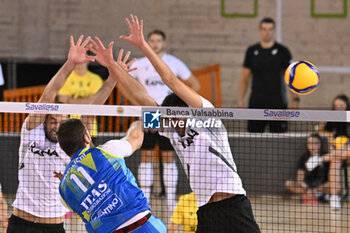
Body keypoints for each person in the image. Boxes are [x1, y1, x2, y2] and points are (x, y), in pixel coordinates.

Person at [88, 14, 260, 232]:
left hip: (234, 204)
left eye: (173, 117)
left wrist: (143, 45)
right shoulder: (169, 129)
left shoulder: (207, 118)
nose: (169, 122)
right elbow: (143, 98)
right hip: (205, 209)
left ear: (184, 111)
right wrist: (113, 67)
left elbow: (171, 80)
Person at [6, 35, 119, 233]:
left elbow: (91, 112)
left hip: (55, 226)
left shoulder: (72, 144)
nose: (55, 126)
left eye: (60, 121)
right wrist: (70, 63)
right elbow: (49, 93)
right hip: (21, 222)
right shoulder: (32, 132)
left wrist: (113, 79)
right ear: (45, 119)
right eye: (51, 120)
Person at [128, 29, 200, 212]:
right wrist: (136, 103)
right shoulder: (140, 63)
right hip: (151, 113)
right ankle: (145, 200)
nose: (155, 44)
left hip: (170, 114)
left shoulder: (174, 63)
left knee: (168, 157)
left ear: (164, 43)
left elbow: (195, 84)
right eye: (151, 40)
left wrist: (178, 103)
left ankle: (170, 200)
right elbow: (124, 83)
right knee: (147, 156)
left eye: (158, 40)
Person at [237, 17, 298, 133]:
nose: (267, 32)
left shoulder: (283, 51)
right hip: (256, 102)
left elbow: (290, 77)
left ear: (274, 30)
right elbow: (245, 77)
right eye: (264, 29)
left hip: (277, 103)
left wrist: (295, 99)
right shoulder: (251, 51)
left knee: (279, 140)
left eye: (270, 29)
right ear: (260, 30)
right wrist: (240, 98)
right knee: (253, 140)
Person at [285, 134, 346, 210]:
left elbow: (332, 179)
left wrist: (315, 190)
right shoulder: (303, 158)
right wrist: (308, 189)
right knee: (289, 184)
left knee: (338, 187)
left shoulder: (327, 156)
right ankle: (318, 195)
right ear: (307, 145)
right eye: (310, 143)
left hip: (323, 186)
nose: (313, 146)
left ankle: (315, 194)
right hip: (307, 186)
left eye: (316, 143)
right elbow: (299, 180)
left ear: (320, 144)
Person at [57, 60, 104, 142]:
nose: (81, 61)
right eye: (79, 58)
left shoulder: (96, 79)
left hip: (90, 128)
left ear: (88, 60)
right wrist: (88, 100)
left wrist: (71, 100)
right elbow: (63, 101)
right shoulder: (65, 78)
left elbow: (95, 102)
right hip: (69, 127)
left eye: (83, 58)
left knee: (87, 154)